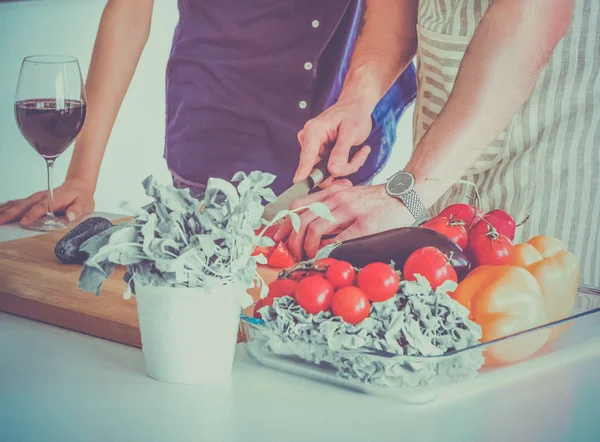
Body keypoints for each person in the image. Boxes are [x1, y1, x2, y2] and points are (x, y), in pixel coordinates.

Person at [0, 0, 416, 225]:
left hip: (337, 161)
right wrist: (80, 176)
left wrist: (356, 101)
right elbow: (129, 9)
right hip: (214, 143)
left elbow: (394, 17)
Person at [281, 0, 600, 288]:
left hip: (542, 160)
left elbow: (533, 14)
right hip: (434, 171)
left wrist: (407, 193)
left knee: (534, 318)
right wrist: (357, 98)